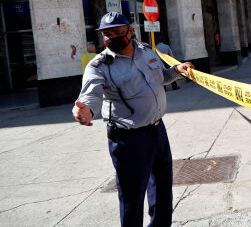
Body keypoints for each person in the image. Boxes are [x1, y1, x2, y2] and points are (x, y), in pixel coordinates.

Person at [72, 12, 194, 227]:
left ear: (130, 31)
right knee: (132, 198)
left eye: (118, 32)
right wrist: (86, 110)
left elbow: (161, 78)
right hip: (129, 139)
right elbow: (91, 96)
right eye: (107, 34)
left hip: (157, 130)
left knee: (163, 188)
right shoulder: (98, 66)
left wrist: (177, 70)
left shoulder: (146, 51)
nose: (113, 37)